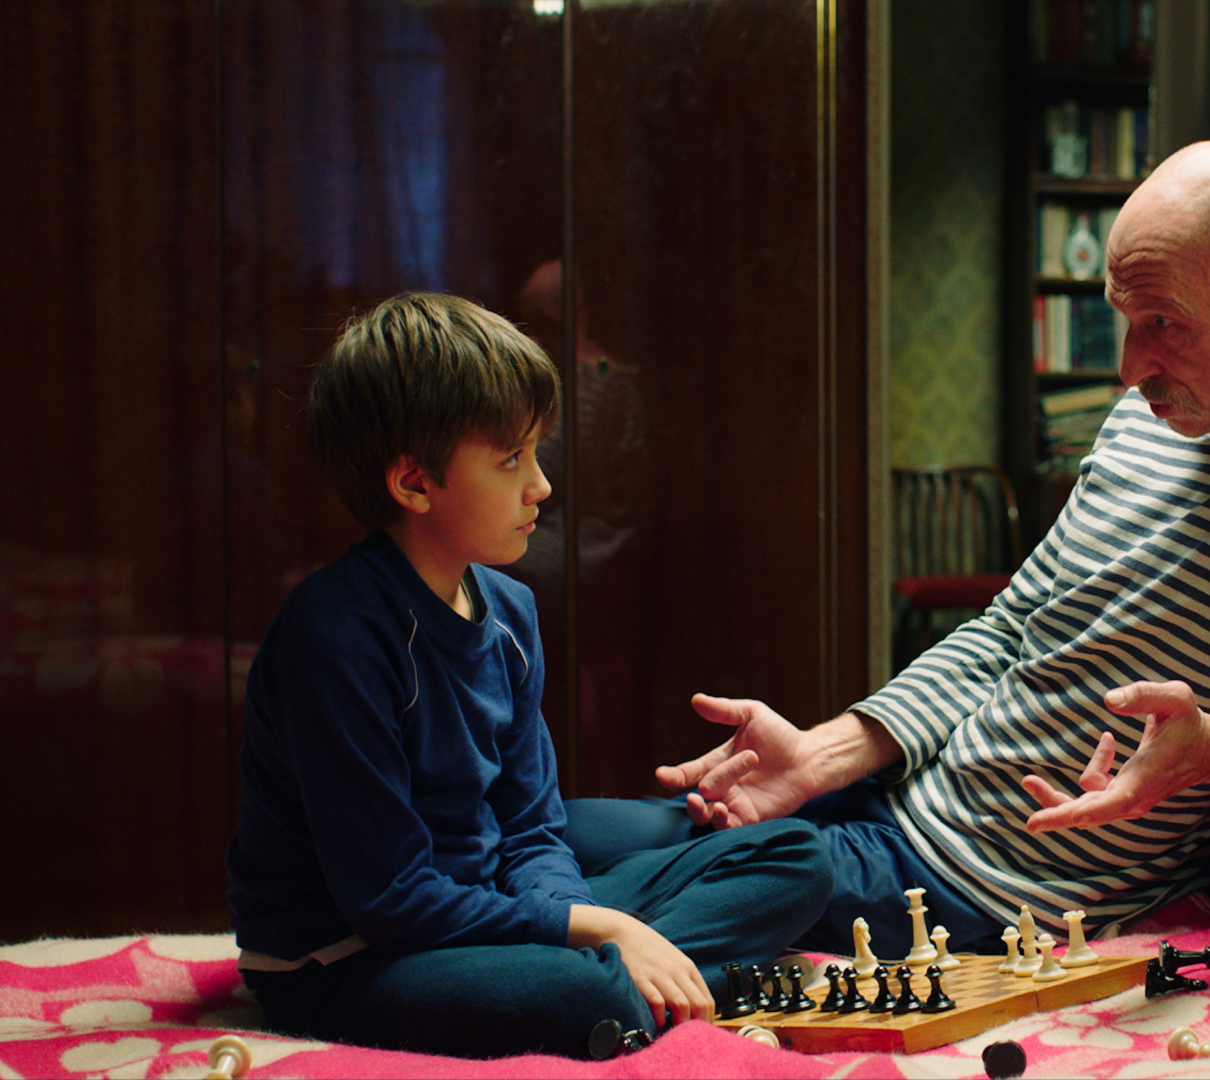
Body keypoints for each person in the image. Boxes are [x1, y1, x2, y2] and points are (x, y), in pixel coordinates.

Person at [656, 141, 1210, 957]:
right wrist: (828, 753)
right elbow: (1011, 628)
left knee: (607, 907)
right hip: (893, 801)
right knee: (592, 842)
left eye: (1163, 323)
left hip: (983, 894)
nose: (1129, 368)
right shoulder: (1146, 419)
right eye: (1126, 320)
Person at [225, 293, 832, 1060]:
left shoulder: (509, 609)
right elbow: (388, 899)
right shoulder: (336, 635)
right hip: (351, 955)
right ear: (414, 483)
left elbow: (531, 826)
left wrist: (577, 920)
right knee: (588, 996)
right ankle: (644, 984)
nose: (541, 485)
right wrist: (599, 928)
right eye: (512, 459)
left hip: (479, 899)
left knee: (796, 857)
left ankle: (636, 984)